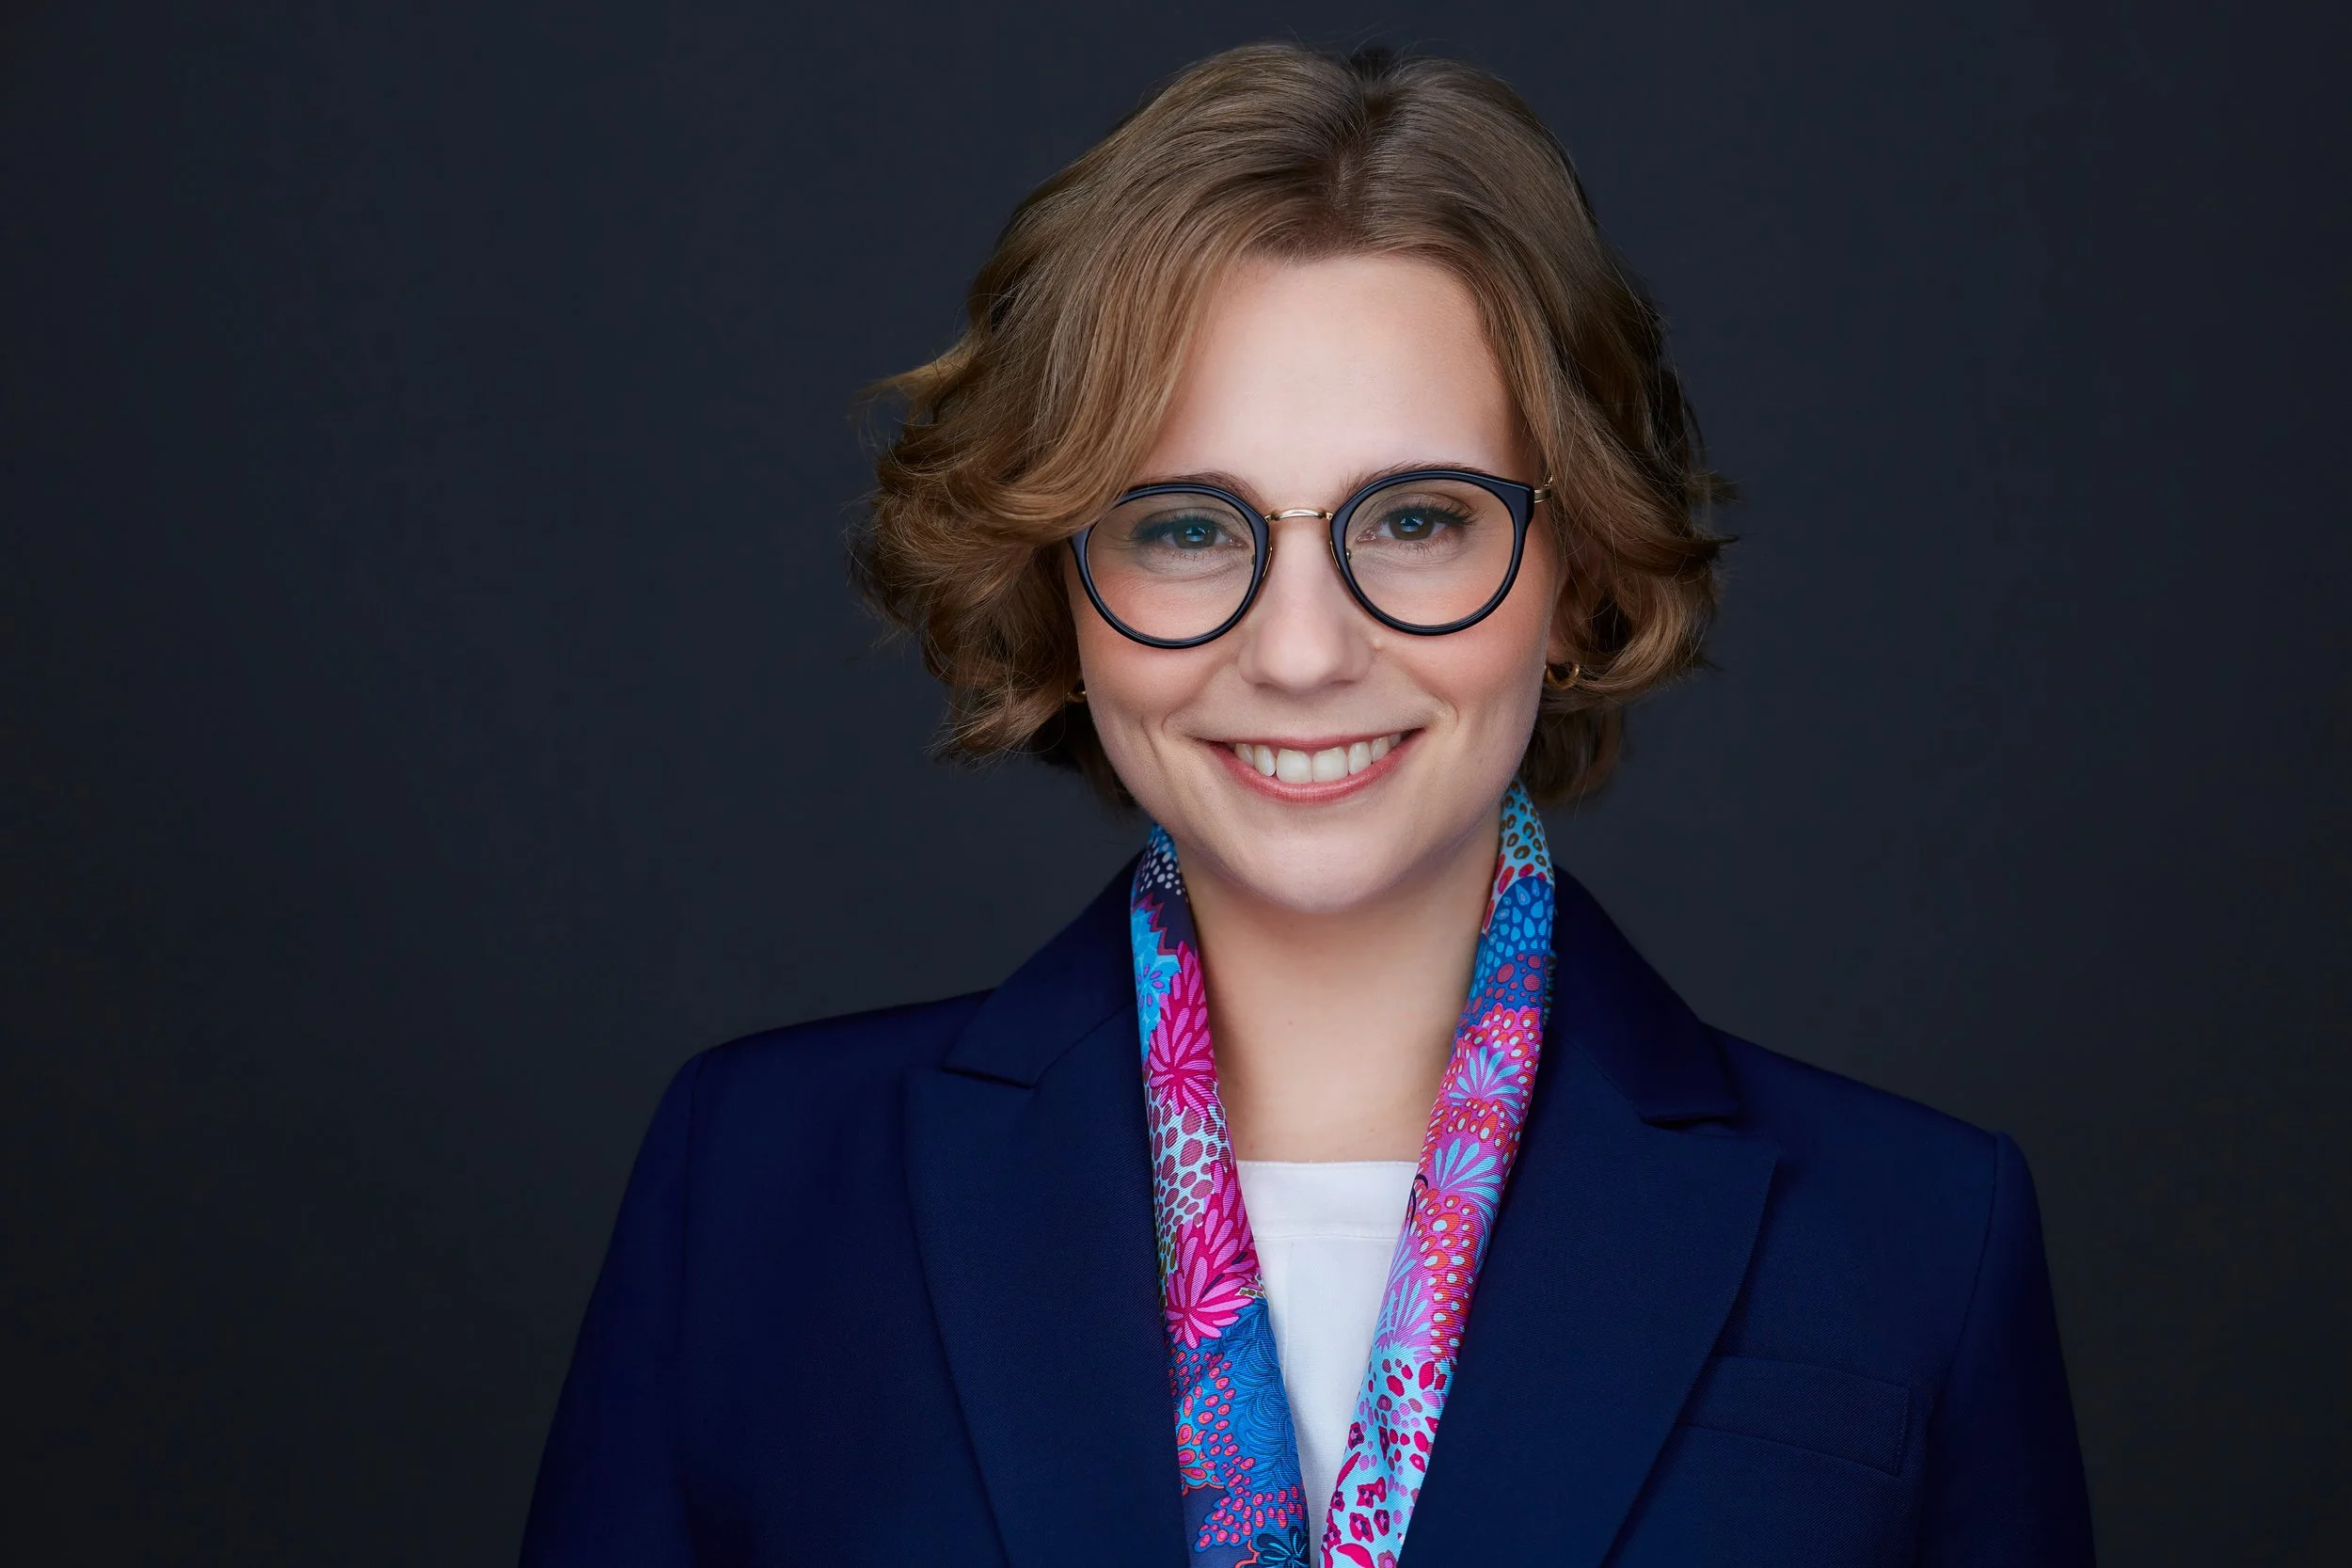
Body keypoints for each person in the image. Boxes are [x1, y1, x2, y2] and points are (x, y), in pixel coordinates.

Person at [519, 41, 2093, 1568]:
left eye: (1415, 517)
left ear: (1580, 564)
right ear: (1060, 583)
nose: (1299, 651)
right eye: (1186, 527)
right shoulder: (754, 1188)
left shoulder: (1917, 1236)